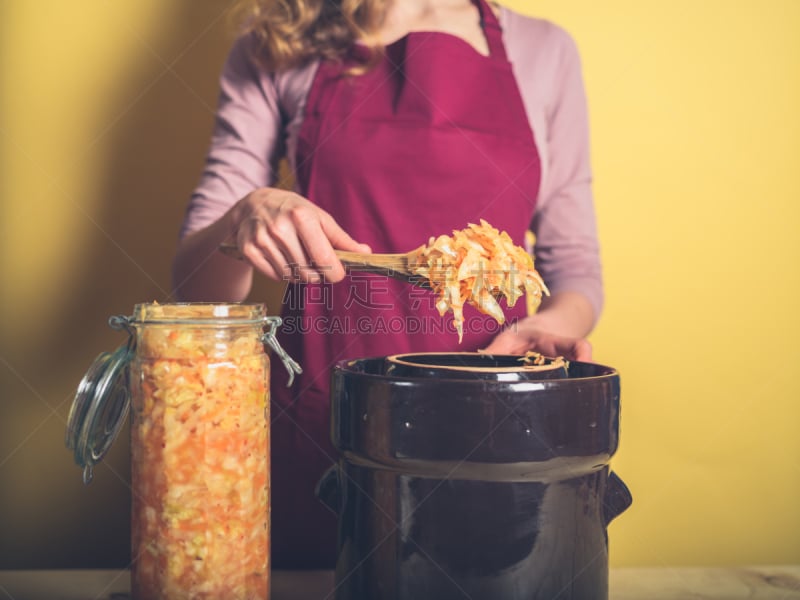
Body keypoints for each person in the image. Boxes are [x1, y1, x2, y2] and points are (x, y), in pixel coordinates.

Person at [172, 0, 602, 569]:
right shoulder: (278, 44)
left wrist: (545, 326)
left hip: (493, 435)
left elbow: (575, 271)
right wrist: (243, 215)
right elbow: (194, 289)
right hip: (329, 433)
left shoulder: (544, 50)